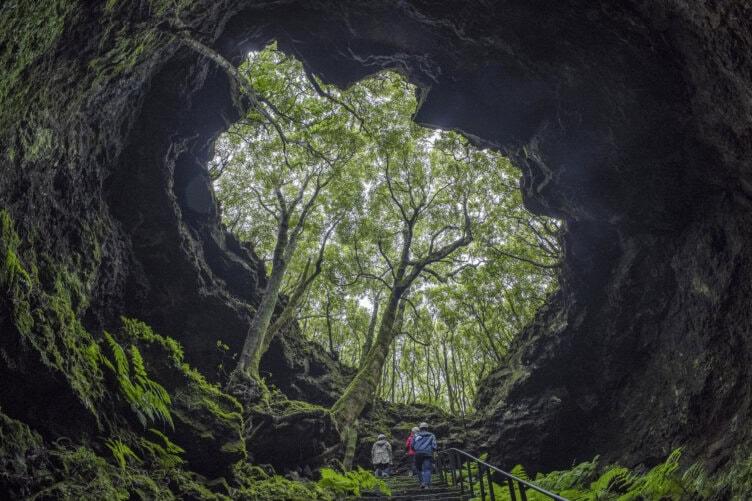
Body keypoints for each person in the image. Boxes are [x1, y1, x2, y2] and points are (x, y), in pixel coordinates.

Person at [411, 422, 438, 489]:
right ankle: (427, 485)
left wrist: (417, 450)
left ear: (420, 428)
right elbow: (434, 446)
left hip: (418, 453)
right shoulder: (431, 435)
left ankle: (422, 483)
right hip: (428, 453)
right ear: (427, 428)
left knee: (419, 469)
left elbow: (412, 445)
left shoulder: (416, 435)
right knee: (427, 469)